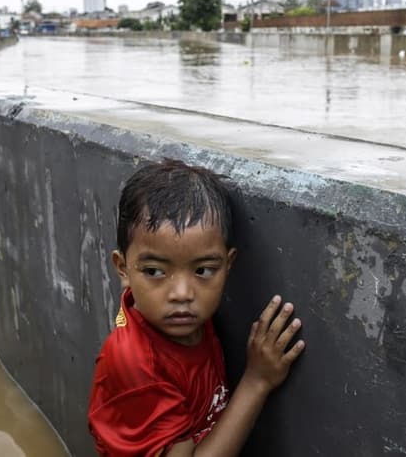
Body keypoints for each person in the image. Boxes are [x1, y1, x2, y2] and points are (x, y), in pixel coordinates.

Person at [88, 159, 306, 456]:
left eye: (203, 271)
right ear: (123, 268)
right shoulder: (137, 362)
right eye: (154, 271)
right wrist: (257, 380)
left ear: (227, 266)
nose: (181, 293)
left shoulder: (181, 322)